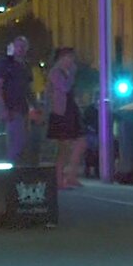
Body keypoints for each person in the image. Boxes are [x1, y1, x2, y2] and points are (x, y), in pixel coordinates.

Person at [45, 47, 86, 190]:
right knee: (63, 147)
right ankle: (59, 180)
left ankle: (71, 176)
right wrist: (71, 75)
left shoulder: (67, 72)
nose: (71, 61)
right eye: (68, 58)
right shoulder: (55, 72)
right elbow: (64, 88)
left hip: (70, 109)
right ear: (61, 58)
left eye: (72, 58)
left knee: (80, 141)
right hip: (60, 112)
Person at [0, 36, 33, 165]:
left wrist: (35, 106)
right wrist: (3, 107)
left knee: (21, 142)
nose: (20, 49)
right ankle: (12, 171)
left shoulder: (25, 66)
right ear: (13, 47)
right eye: (18, 46)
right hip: (12, 108)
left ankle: (16, 171)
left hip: (23, 108)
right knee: (16, 143)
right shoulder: (6, 64)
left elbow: (28, 89)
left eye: (23, 46)